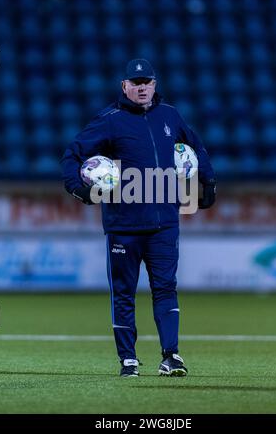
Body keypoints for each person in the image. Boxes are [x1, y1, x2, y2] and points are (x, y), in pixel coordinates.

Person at [61, 59, 216, 377]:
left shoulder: (170, 115)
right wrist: (80, 189)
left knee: (165, 288)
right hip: (124, 224)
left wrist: (207, 184)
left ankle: (171, 356)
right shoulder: (109, 120)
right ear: (124, 86)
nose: (142, 86)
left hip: (164, 222)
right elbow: (73, 154)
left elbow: (196, 147)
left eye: (147, 81)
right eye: (136, 81)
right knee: (123, 292)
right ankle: (128, 359)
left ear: (155, 84)